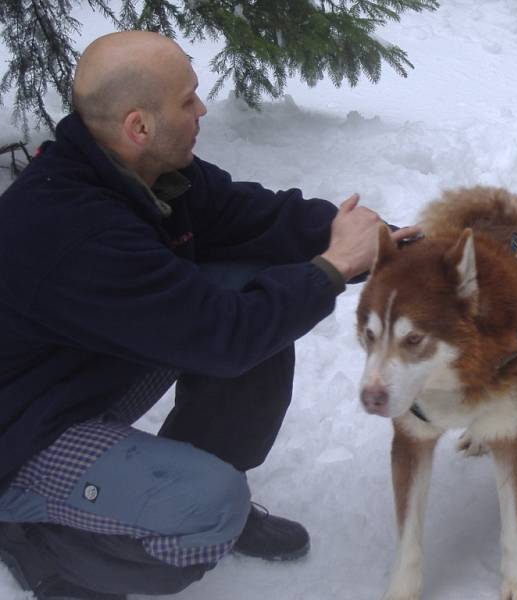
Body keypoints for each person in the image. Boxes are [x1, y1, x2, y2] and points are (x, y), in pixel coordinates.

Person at [0, 30, 417, 600]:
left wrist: (404, 247)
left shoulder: (147, 175)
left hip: (75, 377)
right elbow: (225, 337)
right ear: (138, 126)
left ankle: (154, 491)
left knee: (252, 283)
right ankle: (48, 546)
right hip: (20, 433)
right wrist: (333, 267)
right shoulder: (76, 229)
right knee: (208, 509)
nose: (201, 109)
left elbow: (264, 219)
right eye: (188, 99)